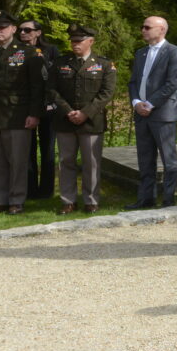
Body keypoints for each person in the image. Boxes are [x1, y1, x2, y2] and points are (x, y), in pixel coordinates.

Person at [51, 25, 117, 214]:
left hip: (91, 121)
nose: (75, 44)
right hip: (65, 120)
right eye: (73, 41)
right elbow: (52, 90)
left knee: (92, 163)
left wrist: (85, 113)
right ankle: (68, 201)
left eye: (79, 41)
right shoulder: (60, 62)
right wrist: (68, 111)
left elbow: (107, 92)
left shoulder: (104, 64)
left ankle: (91, 200)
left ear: (91, 41)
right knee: (66, 162)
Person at [126, 16, 177, 209]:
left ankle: (168, 199)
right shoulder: (140, 53)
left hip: (163, 113)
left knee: (168, 159)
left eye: (147, 27)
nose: (143, 30)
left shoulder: (174, 52)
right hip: (141, 113)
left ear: (162, 30)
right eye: (142, 27)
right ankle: (146, 198)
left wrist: (150, 104)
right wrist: (136, 103)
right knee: (145, 158)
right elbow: (133, 82)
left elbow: (171, 84)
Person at [0, 10, 46, 215]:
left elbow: (37, 87)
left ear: (13, 29)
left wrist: (34, 114)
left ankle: (16, 200)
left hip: (17, 114)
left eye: (3, 27)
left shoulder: (28, 53)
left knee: (17, 161)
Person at [19, 19, 59, 200]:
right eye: (20, 30)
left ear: (38, 32)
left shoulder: (51, 50)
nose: (23, 33)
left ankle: (46, 191)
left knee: (48, 148)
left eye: (27, 30)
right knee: (28, 149)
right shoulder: (17, 51)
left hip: (48, 106)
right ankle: (30, 189)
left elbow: (57, 76)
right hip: (26, 106)